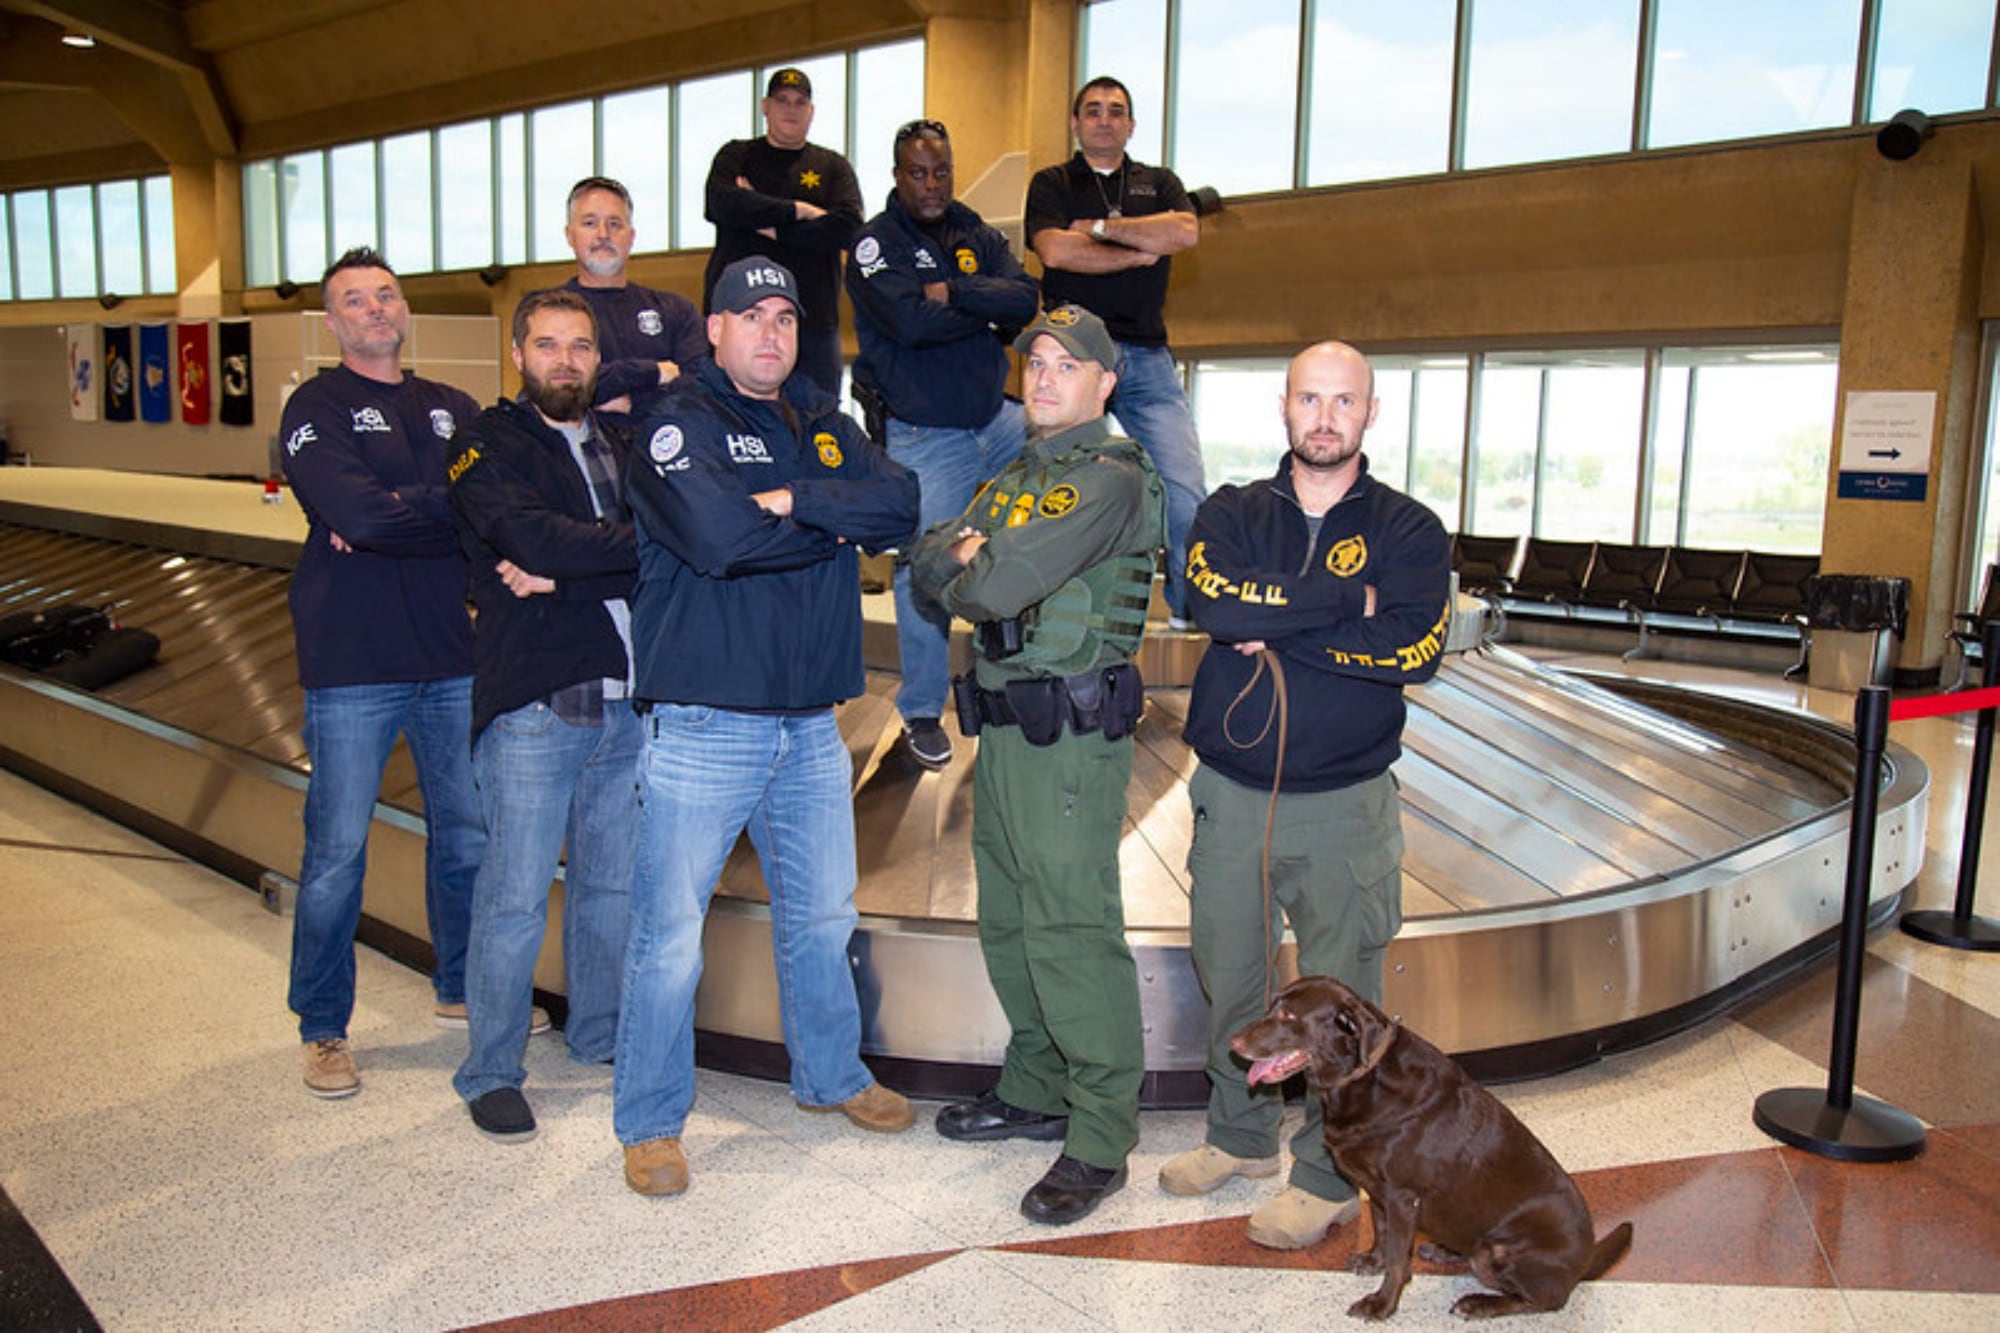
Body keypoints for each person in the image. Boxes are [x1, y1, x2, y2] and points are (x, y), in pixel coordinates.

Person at [615, 256, 921, 1197]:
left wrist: (795, 500)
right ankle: (651, 1121)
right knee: (671, 932)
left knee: (823, 914)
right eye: (750, 316)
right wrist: (834, 523)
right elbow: (719, 539)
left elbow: (902, 504)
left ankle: (831, 1075)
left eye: (785, 317)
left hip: (811, 724)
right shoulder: (676, 426)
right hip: (706, 723)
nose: (770, 332)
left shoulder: (823, 422)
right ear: (714, 330)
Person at [1157, 340, 1451, 1249]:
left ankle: (1328, 1173)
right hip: (1231, 796)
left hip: (1345, 806)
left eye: (1344, 401)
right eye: (1310, 399)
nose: (1326, 417)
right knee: (1232, 975)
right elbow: (1217, 609)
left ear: (1371, 412)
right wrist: (1349, 601)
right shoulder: (1232, 511)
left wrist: (1282, 620)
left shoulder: (1410, 529)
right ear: (1284, 407)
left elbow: (1416, 648)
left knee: (1345, 1006)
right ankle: (1239, 1136)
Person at [910, 304, 1165, 1227]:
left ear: (1105, 383)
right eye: (1037, 361)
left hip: (1072, 742)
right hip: (1008, 730)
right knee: (1012, 919)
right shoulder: (1016, 475)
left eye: (1068, 364)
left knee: (1070, 928)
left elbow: (993, 585)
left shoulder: (1109, 480)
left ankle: (1100, 1131)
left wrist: (971, 559)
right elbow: (926, 561)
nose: (1046, 377)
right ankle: (1036, 1087)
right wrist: (959, 554)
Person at [279, 246, 485, 1099]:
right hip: (353, 661)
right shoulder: (314, 408)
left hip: (451, 656)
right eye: (356, 300)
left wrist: (402, 511)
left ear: (404, 311)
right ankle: (323, 1025)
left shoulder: (453, 408)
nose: (375, 309)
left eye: (386, 295)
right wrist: (429, 511)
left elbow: (488, 508)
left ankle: (463, 986)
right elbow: (359, 515)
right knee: (336, 850)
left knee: (467, 835)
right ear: (333, 322)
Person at [445, 289, 640, 1143]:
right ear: (518, 355)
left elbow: (676, 542)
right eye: (548, 344)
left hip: (626, 702)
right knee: (515, 898)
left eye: (581, 346)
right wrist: (578, 557)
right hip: (535, 704)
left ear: (599, 358)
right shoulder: (484, 444)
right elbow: (533, 540)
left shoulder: (626, 443)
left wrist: (565, 572)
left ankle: (600, 1034)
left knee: (610, 887)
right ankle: (490, 1070)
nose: (566, 360)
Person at [848, 118, 1039, 770]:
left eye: (941, 172)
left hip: (996, 421)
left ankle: (1040, 676)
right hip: (925, 435)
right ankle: (923, 711)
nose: (931, 184)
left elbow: (1024, 300)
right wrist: (981, 311)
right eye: (917, 172)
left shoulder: (975, 231)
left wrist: (953, 292)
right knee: (923, 565)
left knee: (1074, 477)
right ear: (897, 176)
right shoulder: (875, 244)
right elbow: (908, 321)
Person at [1025, 76, 1207, 627]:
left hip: (1148, 357)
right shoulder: (1052, 183)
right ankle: (1054, 618)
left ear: (1131, 124)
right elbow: (1057, 251)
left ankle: (1188, 615)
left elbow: (1183, 232)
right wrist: (1137, 251)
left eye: (1115, 111)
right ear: (1075, 123)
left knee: (1186, 492)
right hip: (1076, 356)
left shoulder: (1161, 182)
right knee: (1064, 491)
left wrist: (1102, 229)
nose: (1104, 119)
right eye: (1093, 110)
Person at [704, 66, 864, 396]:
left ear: (811, 111)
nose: (791, 109)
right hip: (741, 318)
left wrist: (775, 229)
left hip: (813, 324)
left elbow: (848, 228)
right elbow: (720, 204)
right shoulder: (738, 155)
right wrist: (798, 211)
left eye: (799, 102)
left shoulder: (833, 166)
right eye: (782, 100)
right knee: (730, 415)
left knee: (819, 420)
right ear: (765, 106)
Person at [560, 176, 706, 418]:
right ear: (569, 235)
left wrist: (635, 403)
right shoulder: (547, 313)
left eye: (615, 224)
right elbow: (559, 386)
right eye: (589, 223)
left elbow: (702, 387)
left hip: (663, 439)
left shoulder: (676, 311)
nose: (603, 234)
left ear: (631, 236)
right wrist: (653, 371)